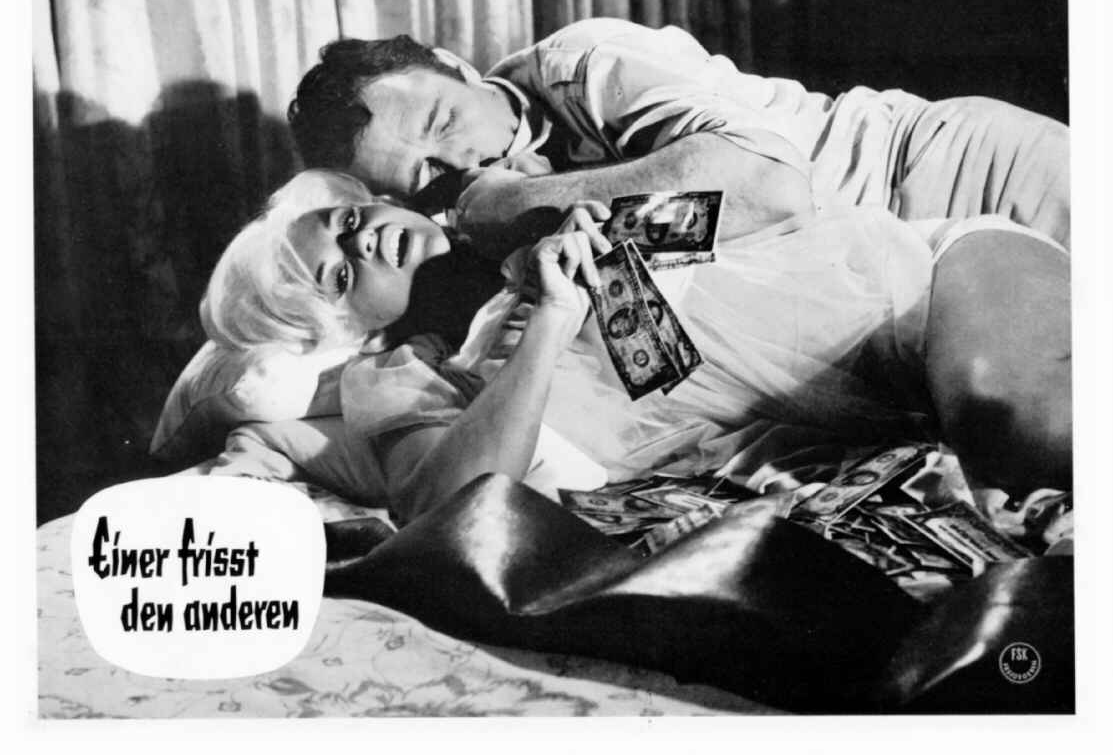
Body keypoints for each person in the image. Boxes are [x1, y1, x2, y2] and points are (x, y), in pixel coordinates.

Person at [202, 170, 1071, 525]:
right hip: (891, 397)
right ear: (350, 329)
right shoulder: (411, 376)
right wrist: (551, 316)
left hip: (929, 277)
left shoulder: (519, 203)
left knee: (1013, 422)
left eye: (347, 220)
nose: (362, 242)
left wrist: (610, 214)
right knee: (1016, 459)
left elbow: (782, 200)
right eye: (339, 275)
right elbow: (453, 503)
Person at [287, 19, 1070, 259]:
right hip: (908, 261)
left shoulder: (581, 63)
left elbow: (768, 189)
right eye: (424, 172)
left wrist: (526, 200)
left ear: (454, 66)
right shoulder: (472, 217)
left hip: (947, 169)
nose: (458, 162)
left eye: (440, 122)